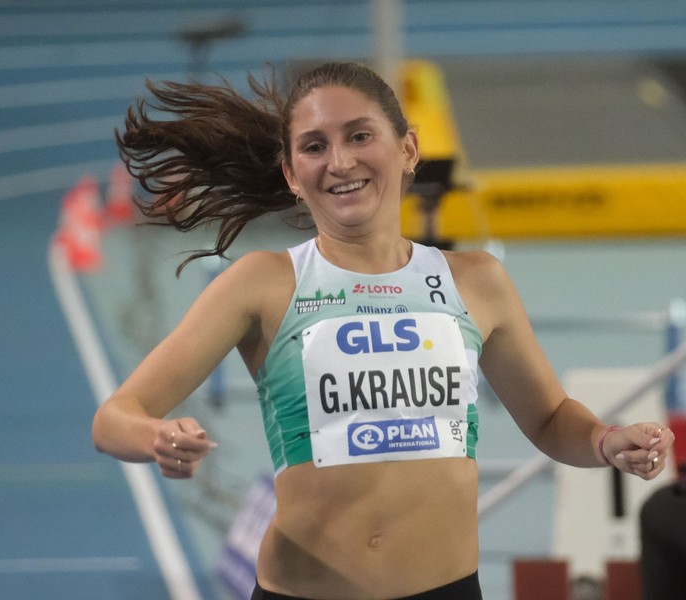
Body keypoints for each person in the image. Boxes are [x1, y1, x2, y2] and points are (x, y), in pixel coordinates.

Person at [92, 62, 675, 600]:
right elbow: (115, 417)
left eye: (359, 136)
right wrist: (156, 436)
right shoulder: (263, 284)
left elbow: (549, 419)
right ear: (292, 174)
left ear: (408, 149)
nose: (340, 162)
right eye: (314, 147)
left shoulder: (477, 281)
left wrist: (605, 441)